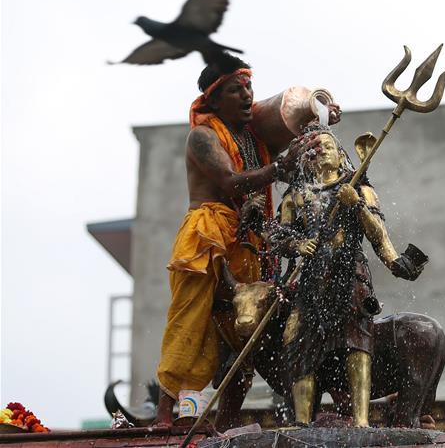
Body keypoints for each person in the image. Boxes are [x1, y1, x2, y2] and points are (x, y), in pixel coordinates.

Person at [154, 53, 341, 426]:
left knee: (248, 333)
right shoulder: (202, 136)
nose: (246, 96)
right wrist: (279, 167)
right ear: (213, 99)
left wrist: (318, 126)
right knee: (192, 323)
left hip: (250, 239)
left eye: (248, 87)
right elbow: (231, 182)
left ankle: (222, 421)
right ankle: (164, 416)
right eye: (235, 90)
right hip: (207, 235)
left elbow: (284, 170)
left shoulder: (254, 138)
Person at [276, 125, 426, 427]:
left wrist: (356, 204)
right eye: (313, 149)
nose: (320, 152)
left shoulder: (359, 189)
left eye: (326, 146)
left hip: (351, 274)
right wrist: (296, 243)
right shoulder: (297, 195)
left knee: (357, 344)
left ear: (341, 154)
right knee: (300, 347)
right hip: (312, 280)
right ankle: (302, 421)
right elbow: (279, 233)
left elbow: (378, 235)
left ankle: (360, 419)